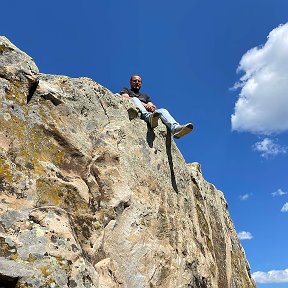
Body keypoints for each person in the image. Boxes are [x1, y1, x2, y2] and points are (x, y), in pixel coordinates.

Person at [120, 74, 193, 139]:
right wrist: (145, 105)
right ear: (130, 82)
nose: (137, 82)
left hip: (150, 113)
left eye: (139, 81)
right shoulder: (126, 90)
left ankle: (176, 129)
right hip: (139, 113)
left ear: (141, 83)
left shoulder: (145, 96)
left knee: (163, 110)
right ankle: (148, 117)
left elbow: (151, 104)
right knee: (135, 99)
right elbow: (125, 97)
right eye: (134, 81)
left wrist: (152, 107)